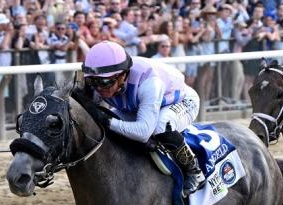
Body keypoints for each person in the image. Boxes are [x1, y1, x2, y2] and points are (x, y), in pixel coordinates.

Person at [78, 41, 205, 197]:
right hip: (138, 105)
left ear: (122, 75)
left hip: (181, 101)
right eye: (93, 81)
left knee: (160, 127)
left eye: (105, 82)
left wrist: (106, 120)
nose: (98, 88)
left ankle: (194, 171)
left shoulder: (150, 83)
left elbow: (143, 131)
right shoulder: (105, 81)